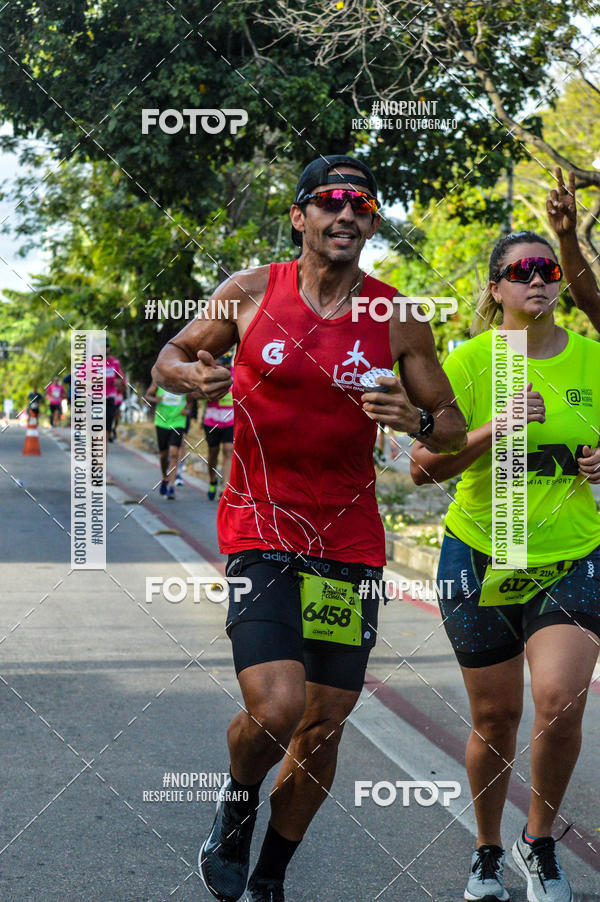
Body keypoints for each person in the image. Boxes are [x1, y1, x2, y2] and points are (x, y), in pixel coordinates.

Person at [152, 154, 466, 902]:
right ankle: (234, 812)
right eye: (330, 201)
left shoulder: (398, 316)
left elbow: (450, 427)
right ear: (300, 216)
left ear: (372, 222)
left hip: (348, 541)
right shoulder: (251, 293)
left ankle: (269, 879)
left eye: (362, 204)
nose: (346, 214)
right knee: (278, 708)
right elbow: (170, 355)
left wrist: (416, 419)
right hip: (260, 525)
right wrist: (190, 375)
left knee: (322, 725)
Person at [411, 209, 600, 902]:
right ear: (495, 289)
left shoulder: (593, 358)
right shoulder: (465, 361)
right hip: (481, 553)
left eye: (548, 269)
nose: (539, 281)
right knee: (496, 719)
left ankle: (539, 840)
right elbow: (420, 467)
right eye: (521, 272)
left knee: (560, 700)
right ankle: (488, 847)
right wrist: (495, 428)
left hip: (571, 553)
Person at [144, 380, 189, 500]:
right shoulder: (160, 380)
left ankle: (171, 486)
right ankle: (165, 477)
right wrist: (155, 400)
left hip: (178, 421)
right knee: (163, 455)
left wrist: (188, 410)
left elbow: (192, 398)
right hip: (162, 422)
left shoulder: (183, 381)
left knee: (174, 453)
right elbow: (148, 395)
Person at [202, 351, 234, 500]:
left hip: (231, 419)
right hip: (212, 420)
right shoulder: (211, 374)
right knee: (213, 452)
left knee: (229, 450)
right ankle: (213, 480)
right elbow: (197, 394)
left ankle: (225, 487)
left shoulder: (237, 374)